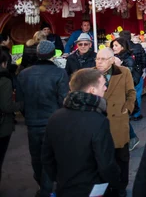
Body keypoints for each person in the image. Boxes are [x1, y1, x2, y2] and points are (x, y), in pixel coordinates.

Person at [42, 68, 120, 197]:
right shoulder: (98, 121)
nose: (105, 88)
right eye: (103, 85)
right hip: (91, 189)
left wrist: (59, 178)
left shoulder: (55, 117)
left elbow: (46, 157)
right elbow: (106, 164)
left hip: (64, 187)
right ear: (92, 90)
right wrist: (115, 183)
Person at [16, 40, 69, 197]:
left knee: (37, 156)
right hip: (53, 122)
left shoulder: (24, 74)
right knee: (51, 156)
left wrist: (29, 116)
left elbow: (20, 102)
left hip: (33, 122)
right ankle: (47, 189)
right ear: (53, 55)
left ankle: (43, 185)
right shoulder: (59, 73)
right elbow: (64, 100)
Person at [95, 47, 136, 197]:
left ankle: (121, 186)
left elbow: (131, 92)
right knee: (102, 159)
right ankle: (105, 187)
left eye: (102, 59)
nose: (99, 62)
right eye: (97, 58)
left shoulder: (123, 72)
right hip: (98, 122)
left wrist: (128, 108)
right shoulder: (91, 74)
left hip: (119, 121)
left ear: (112, 60)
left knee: (121, 159)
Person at [0, 48, 23, 183]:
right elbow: (7, 106)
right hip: (2, 125)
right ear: (4, 63)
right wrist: (21, 104)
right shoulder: (4, 80)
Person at [120, 30, 146, 121]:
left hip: (124, 76)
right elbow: (144, 59)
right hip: (137, 74)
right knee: (137, 94)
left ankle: (127, 113)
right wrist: (143, 70)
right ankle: (136, 114)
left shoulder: (120, 49)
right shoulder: (138, 46)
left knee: (125, 95)